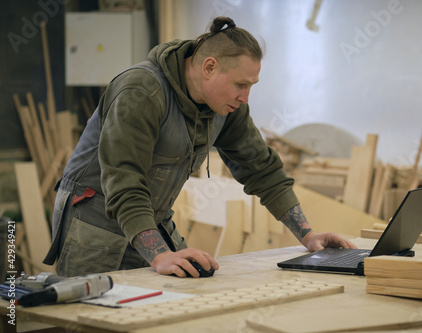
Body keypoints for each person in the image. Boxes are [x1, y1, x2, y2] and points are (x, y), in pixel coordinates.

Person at [43, 16, 356, 278]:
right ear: (209, 67)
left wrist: (308, 236)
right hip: (96, 225)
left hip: (151, 218)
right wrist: (159, 255)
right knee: (97, 316)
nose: (245, 98)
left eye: (251, 86)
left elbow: (261, 168)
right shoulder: (140, 92)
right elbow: (123, 182)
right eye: (240, 85)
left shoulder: (225, 106)